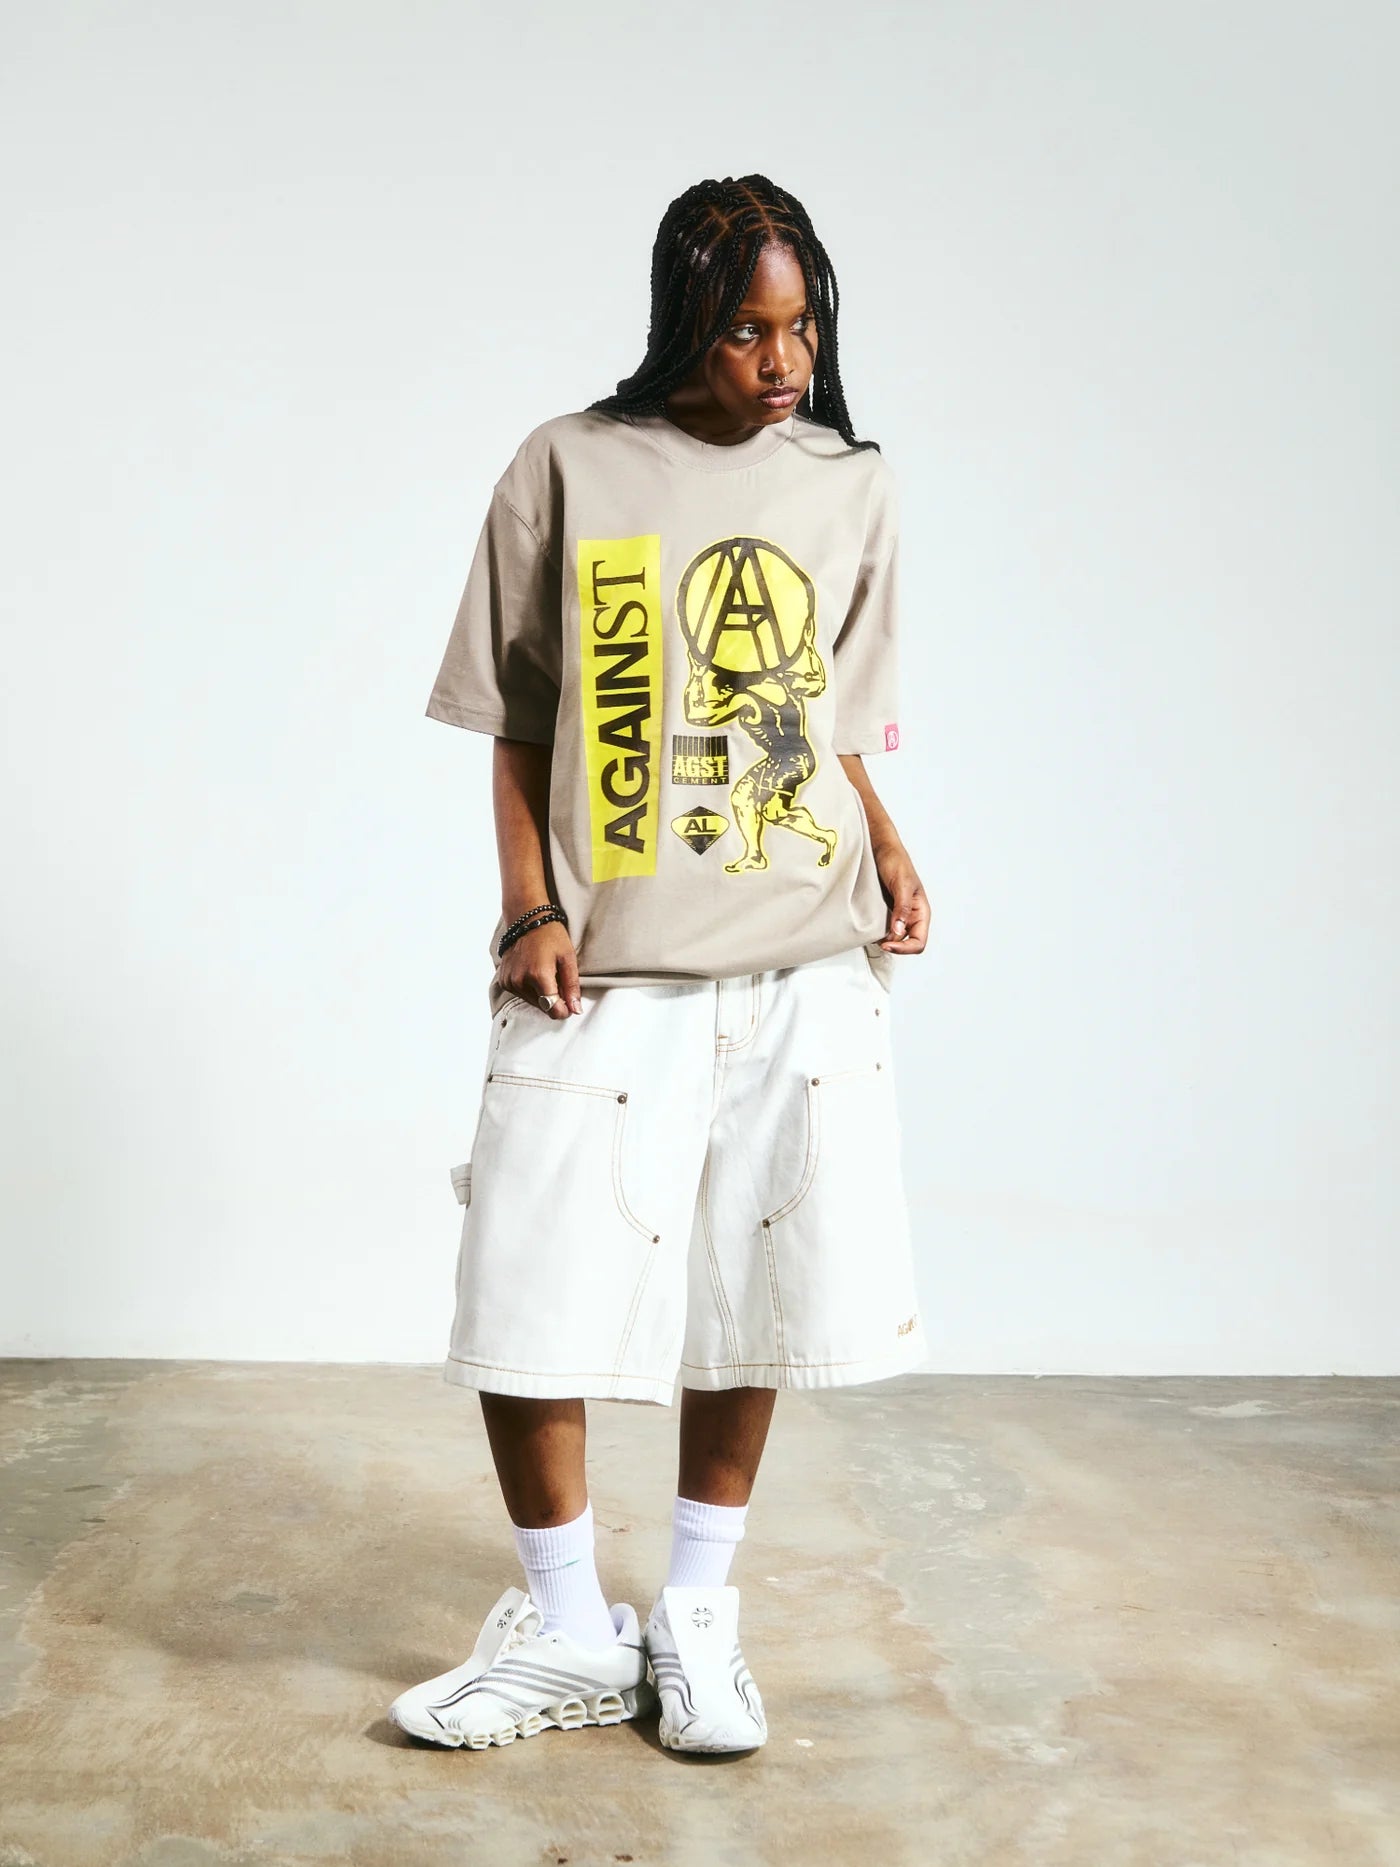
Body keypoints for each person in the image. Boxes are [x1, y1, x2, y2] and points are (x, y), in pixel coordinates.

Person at [389, 175, 930, 1756]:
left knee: (751, 1289)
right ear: (685, 317)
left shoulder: (853, 483)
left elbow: (822, 716)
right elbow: (518, 722)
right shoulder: (567, 466)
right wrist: (526, 910)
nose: (785, 360)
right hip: (610, 962)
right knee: (531, 1290)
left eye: (803, 327)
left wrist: (887, 836)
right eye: (750, 328)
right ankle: (568, 1628)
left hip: (801, 957)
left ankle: (696, 1618)